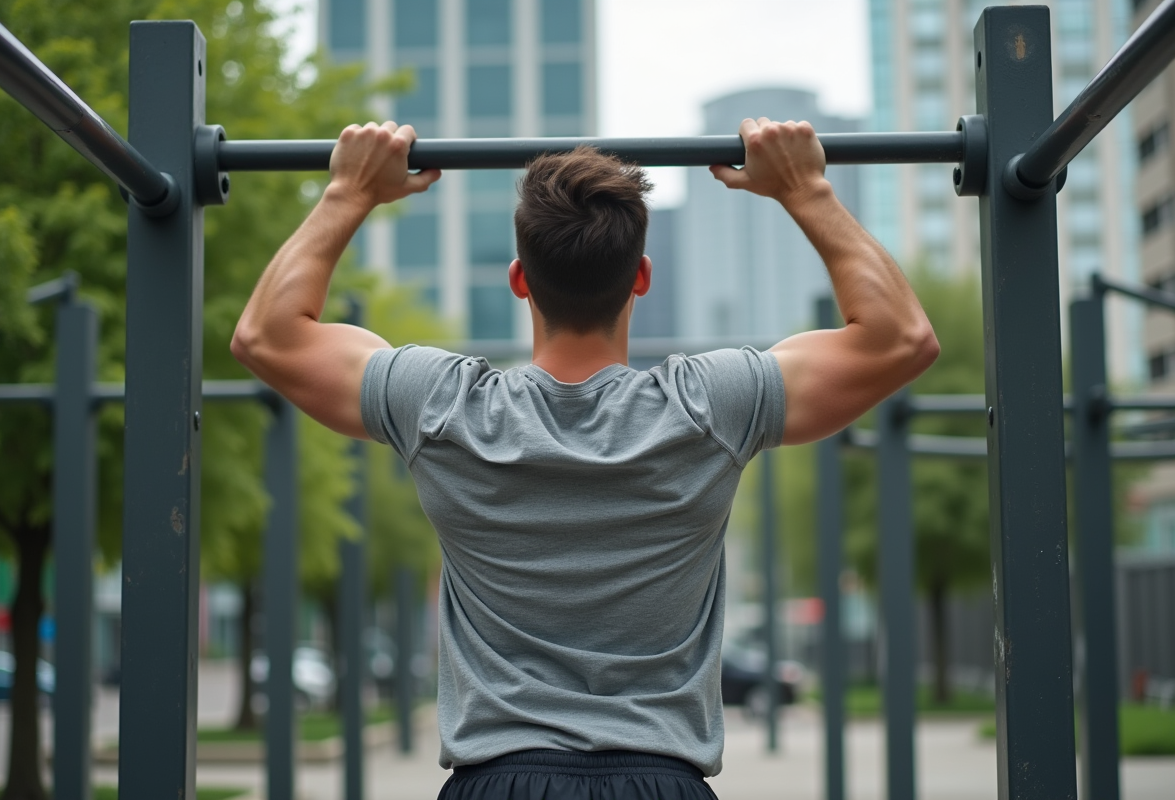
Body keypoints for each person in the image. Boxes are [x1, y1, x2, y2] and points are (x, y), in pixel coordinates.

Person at [232, 118, 939, 799]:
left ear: (518, 279)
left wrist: (348, 192)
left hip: (498, 781)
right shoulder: (710, 406)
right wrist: (805, 189)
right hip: (663, 781)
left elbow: (267, 335)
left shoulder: (442, 406)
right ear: (642, 277)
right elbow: (900, 337)